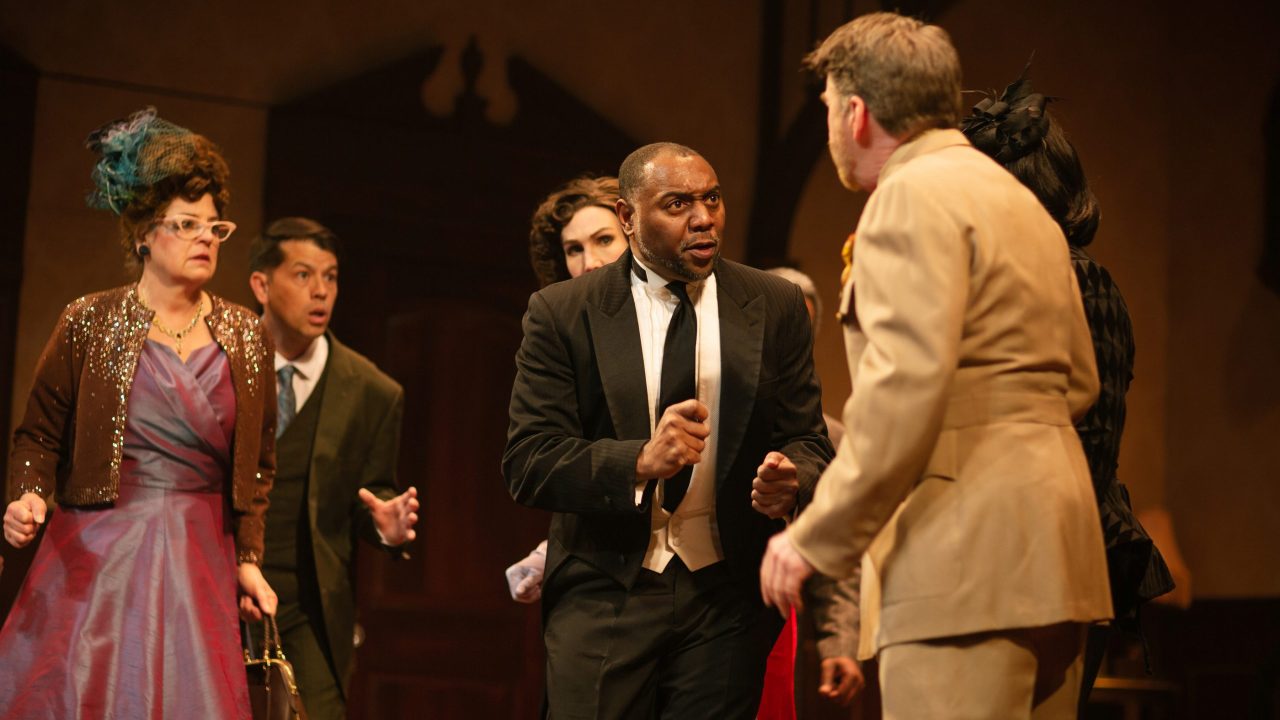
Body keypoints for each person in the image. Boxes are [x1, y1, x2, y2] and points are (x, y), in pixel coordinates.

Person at [758, 13, 1113, 720]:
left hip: (963, 561)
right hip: (1059, 552)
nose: (830, 125)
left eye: (829, 108)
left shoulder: (908, 196)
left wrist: (815, 535)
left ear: (856, 114)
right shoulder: (1021, 202)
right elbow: (1081, 380)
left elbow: (903, 392)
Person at [504, 142, 833, 718]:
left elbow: (809, 441)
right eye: (678, 203)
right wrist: (637, 461)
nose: (703, 218)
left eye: (712, 199)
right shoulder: (562, 312)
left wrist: (794, 478)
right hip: (605, 588)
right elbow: (529, 462)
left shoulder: (774, 304)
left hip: (726, 598)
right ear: (629, 218)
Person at [0, 107, 277, 719]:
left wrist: (250, 561)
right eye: (188, 224)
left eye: (215, 227)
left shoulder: (247, 336)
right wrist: (27, 496)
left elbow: (258, 467)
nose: (207, 237)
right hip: (97, 556)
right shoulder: (88, 322)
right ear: (144, 235)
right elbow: (38, 435)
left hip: (201, 556)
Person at [960, 70, 1175, 712]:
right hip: (979, 557)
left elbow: (1087, 450)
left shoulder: (1083, 283)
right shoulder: (976, 287)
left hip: (1050, 557)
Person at [248, 216, 418, 720]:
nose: (320, 291)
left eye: (331, 277)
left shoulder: (372, 391)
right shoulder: (218, 363)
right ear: (261, 283)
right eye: (303, 276)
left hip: (307, 612)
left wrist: (386, 528)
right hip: (212, 587)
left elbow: (373, 494)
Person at [764, 266, 865, 708]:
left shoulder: (833, 437)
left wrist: (839, 642)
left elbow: (838, 551)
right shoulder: (695, 411)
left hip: (779, 628)